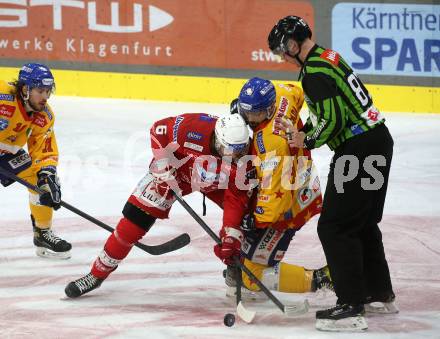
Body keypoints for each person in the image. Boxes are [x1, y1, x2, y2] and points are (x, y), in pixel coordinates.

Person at [268, 16, 397, 331]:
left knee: (335, 226)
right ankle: (376, 292)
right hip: (377, 141)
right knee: (362, 222)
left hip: (358, 149)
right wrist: (302, 130)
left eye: (283, 49)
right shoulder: (328, 58)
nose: (282, 57)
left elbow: (334, 121)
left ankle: (351, 306)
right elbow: (330, 113)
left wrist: (306, 139)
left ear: (294, 43)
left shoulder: (314, 72)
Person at [64, 113, 254, 298]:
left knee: (248, 219)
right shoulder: (193, 128)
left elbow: (235, 200)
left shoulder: (244, 160)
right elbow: (158, 129)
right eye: (231, 149)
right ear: (218, 140)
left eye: (241, 149)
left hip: (216, 182)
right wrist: (163, 168)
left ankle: (236, 268)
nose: (236, 155)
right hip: (176, 174)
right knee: (132, 223)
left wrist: (231, 234)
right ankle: (96, 274)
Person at [214, 77, 331, 297]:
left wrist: (252, 220)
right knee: (248, 249)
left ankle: (322, 278)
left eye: (253, 114)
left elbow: (273, 208)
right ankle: (246, 268)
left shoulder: (270, 145)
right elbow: (297, 92)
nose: (248, 118)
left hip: (290, 206)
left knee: (252, 273)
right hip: (300, 180)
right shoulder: (281, 94)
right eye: (244, 110)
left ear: (268, 109)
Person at [0, 63, 71, 259]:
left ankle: (42, 233)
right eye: (40, 91)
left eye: (48, 91)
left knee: (39, 181)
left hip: (6, 152)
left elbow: (43, 152)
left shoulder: (44, 116)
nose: (45, 97)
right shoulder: (2, 95)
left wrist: (46, 176)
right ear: (25, 89)